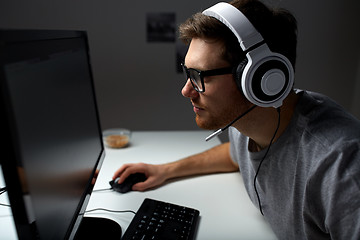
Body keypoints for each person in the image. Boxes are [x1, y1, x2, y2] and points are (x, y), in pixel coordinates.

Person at [113, 0, 360, 239]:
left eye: (199, 76)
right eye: (188, 73)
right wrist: (165, 170)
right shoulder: (248, 123)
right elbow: (234, 154)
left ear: (259, 78)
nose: (186, 90)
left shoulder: (341, 167)